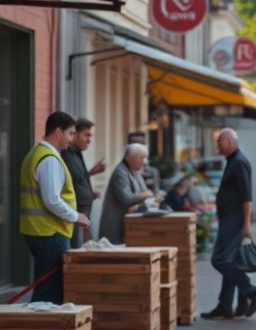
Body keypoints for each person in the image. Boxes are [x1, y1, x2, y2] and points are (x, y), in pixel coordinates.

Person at [19, 111, 91, 304]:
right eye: (70, 133)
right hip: (51, 233)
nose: (71, 138)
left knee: (46, 287)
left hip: (40, 232)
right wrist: (76, 216)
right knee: (49, 292)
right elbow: (52, 200)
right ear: (58, 132)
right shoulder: (49, 159)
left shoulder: (36, 154)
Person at [201, 128, 256, 321]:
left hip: (234, 219)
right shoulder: (233, 160)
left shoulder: (239, 162)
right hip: (230, 218)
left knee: (219, 260)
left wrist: (246, 223)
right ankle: (227, 305)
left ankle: (252, 292)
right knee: (230, 260)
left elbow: (246, 196)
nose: (217, 146)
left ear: (230, 141)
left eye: (219, 142)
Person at [99, 143, 162, 244]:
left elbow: (144, 192)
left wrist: (154, 198)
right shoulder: (120, 172)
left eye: (145, 158)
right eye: (141, 158)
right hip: (116, 226)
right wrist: (145, 195)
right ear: (129, 158)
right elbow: (126, 198)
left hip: (129, 225)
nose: (144, 162)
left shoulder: (135, 171)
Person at [59, 118, 107, 249]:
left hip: (84, 211)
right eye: (86, 135)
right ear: (74, 135)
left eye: (90, 136)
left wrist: (92, 173)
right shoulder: (67, 153)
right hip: (76, 213)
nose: (89, 140)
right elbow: (70, 180)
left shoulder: (78, 153)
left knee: (84, 248)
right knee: (76, 249)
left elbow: (79, 178)